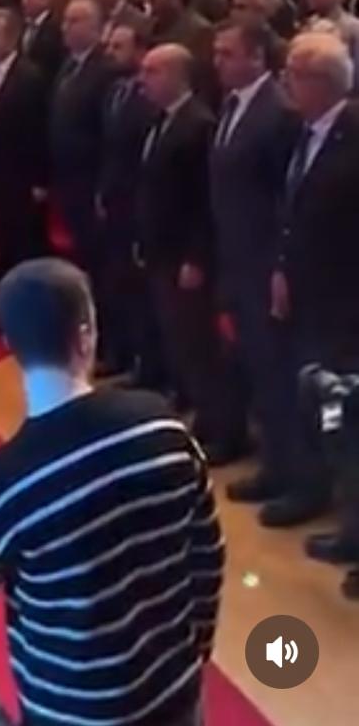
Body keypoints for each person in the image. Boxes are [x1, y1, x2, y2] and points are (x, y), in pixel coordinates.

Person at [0, 259, 223, 726]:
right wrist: (195, 648)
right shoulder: (163, 427)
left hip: (70, 711)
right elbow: (207, 551)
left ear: (10, 345)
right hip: (174, 692)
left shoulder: (2, 484)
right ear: (86, 336)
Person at [138, 43, 248, 465]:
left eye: (152, 72)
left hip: (185, 254)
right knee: (182, 342)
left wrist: (196, 257)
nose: (143, 80)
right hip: (163, 248)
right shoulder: (163, 120)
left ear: (176, 75)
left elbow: (204, 200)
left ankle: (226, 430)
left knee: (202, 346)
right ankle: (205, 416)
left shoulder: (197, 124)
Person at [209, 19, 301, 510]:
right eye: (216, 53)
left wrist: (279, 266)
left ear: (258, 57)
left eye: (228, 53)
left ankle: (291, 472)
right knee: (254, 364)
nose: (218, 62)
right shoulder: (233, 105)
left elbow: (287, 200)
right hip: (237, 257)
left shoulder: (277, 114)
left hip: (265, 264)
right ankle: (273, 461)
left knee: (276, 371)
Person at [270, 33, 359, 535]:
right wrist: (282, 268)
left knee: (345, 418)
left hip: (345, 308)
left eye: (294, 76)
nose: (285, 84)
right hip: (307, 299)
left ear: (321, 82)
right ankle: (331, 504)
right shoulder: (304, 133)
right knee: (324, 411)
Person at [97, 21, 159, 379]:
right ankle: (120, 351)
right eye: (109, 46)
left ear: (140, 51)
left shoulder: (150, 101)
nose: (110, 53)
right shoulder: (115, 90)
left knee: (139, 289)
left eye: (118, 47)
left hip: (138, 203)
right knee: (115, 281)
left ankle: (147, 362)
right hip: (113, 198)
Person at [0, 6, 49, 287]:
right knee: (4, 236)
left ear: (12, 39)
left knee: (25, 242)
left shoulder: (30, 77)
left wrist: (39, 180)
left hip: (22, 175)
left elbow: (38, 130)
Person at [48, 0, 113, 301]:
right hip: (67, 175)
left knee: (96, 255)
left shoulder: (105, 70)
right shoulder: (68, 64)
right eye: (65, 20)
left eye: (74, 21)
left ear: (96, 28)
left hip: (90, 176)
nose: (65, 27)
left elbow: (107, 132)